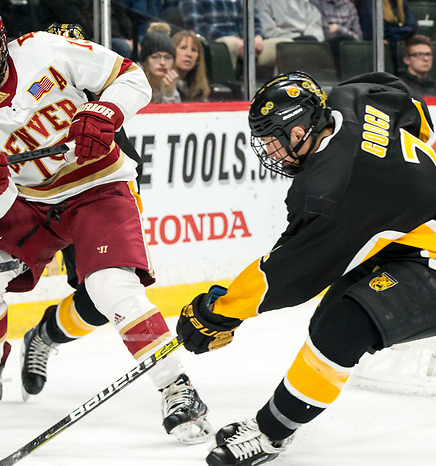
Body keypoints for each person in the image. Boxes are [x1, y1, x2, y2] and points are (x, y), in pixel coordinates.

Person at [0, 1, 212, 443]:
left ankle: (178, 387)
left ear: (1, 41)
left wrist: (108, 112)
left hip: (96, 185)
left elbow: (132, 78)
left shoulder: (44, 50)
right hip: (32, 202)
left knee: (109, 287)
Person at [177, 70, 436, 465]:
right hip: (409, 237)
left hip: (428, 258)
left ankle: (269, 435)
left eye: (272, 140)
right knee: (332, 315)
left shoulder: (329, 188)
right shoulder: (355, 97)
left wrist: (218, 313)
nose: (270, 151)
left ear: (299, 131)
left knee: (346, 324)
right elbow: (406, 99)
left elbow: (286, 275)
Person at [178, 0, 265, 71]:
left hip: (244, 42)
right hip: (213, 40)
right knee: (229, 44)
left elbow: (253, 19)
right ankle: (229, 90)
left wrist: (257, 36)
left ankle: (276, 91)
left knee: (277, 46)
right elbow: (197, 27)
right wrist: (234, 40)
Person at [33, 0, 134, 58]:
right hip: (55, 34)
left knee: (121, 45)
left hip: (86, 34)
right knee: (121, 47)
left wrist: (128, 37)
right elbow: (74, 20)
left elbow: (116, 13)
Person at [255, 0, 324, 77]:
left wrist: (305, 39)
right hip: (280, 39)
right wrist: (295, 39)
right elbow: (268, 30)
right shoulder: (264, 2)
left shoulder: (307, 4)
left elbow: (316, 30)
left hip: (306, 40)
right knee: (289, 49)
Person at [138, 24, 181, 103]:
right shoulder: (133, 80)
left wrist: (169, 93)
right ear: (145, 61)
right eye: (155, 57)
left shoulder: (177, 84)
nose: (162, 63)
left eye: (168, 57)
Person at [172, 29, 210, 102]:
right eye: (183, 48)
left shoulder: (200, 88)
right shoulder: (162, 84)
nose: (189, 54)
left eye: (193, 50)